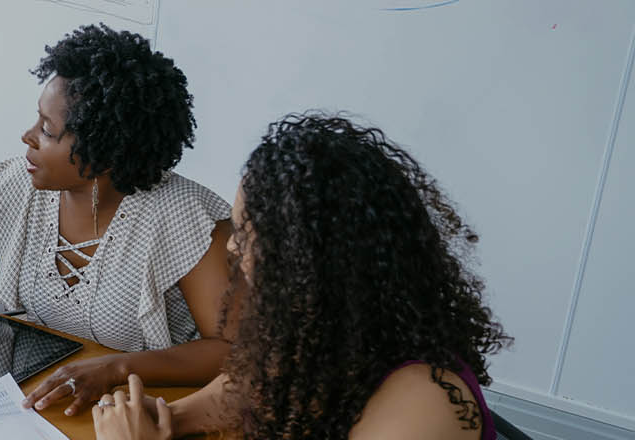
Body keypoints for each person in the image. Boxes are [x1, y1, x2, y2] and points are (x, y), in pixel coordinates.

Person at [0, 25, 236, 415]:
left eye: (47, 130)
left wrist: (117, 368)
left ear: (105, 150)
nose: (27, 137)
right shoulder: (22, 184)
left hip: (143, 408)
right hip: (38, 397)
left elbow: (236, 351)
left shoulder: (188, 218)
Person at [92, 114, 510, 439]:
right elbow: (251, 386)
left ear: (312, 260)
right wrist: (171, 417)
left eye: (246, 234)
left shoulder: (425, 400)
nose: (233, 249)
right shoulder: (323, 330)